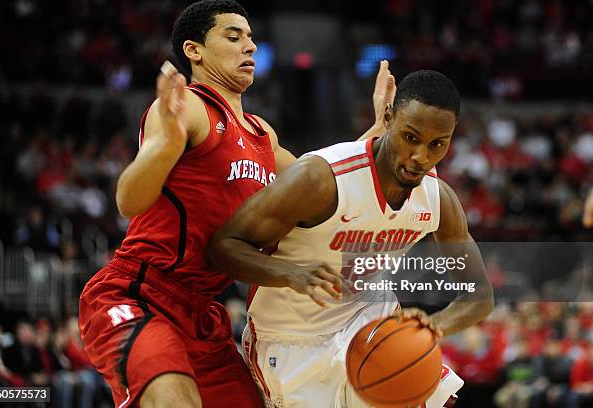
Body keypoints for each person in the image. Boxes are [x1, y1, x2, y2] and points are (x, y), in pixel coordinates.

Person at [78, 0, 394, 407]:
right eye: (233, 36)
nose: (250, 47)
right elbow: (128, 200)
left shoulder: (263, 134)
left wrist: (381, 135)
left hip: (203, 314)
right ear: (194, 50)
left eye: (250, 38)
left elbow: (325, 183)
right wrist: (167, 145)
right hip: (137, 294)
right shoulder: (188, 107)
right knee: (172, 399)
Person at [207, 70, 495, 407]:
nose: (421, 156)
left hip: (373, 325)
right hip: (292, 340)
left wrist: (434, 324)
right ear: (388, 119)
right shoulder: (320, 179)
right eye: (411, 137)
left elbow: (480, 297)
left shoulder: (438, 200)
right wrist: (292, 274)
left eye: (437, 144)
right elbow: (222, 247)